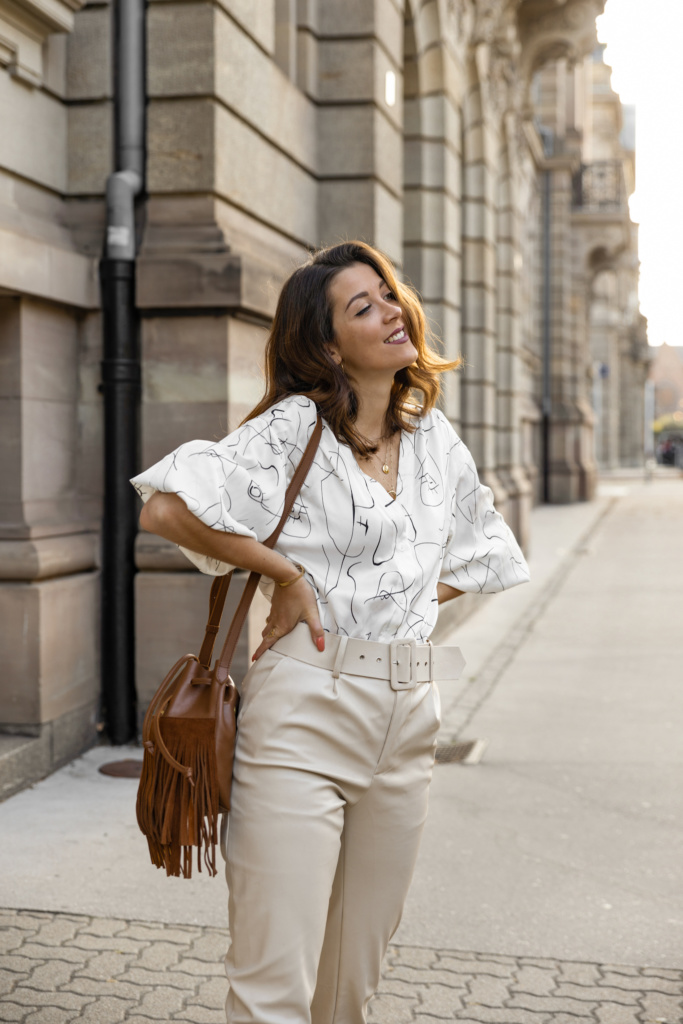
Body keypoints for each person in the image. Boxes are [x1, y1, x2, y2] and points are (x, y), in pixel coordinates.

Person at [131, 240, 530, 1024]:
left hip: (409, 716)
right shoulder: (291, 430)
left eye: (388, 295)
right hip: (306, 711)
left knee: (351, 984)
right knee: (273, 983)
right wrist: (286, 576)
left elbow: (486, 550)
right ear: (324, 343)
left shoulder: (432, 440)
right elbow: (166, 507)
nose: (389, 310)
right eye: (362, 306)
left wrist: (395, 599)